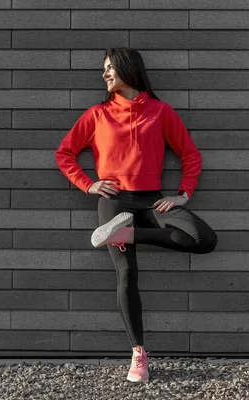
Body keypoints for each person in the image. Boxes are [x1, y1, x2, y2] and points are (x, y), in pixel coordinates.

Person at [54, 48, 218, 383]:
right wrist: (89, 185)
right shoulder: (97, 114)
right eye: (104, 69)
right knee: (127, 274)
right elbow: (65, 152)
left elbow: (190, 154)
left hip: (153, 201)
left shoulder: (160, 112)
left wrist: (182, 195)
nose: (105, 74)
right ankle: (138, 355)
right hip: (114, 200)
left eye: (110, 68)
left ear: (129, 69)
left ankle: (126, 234)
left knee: (204, 239)